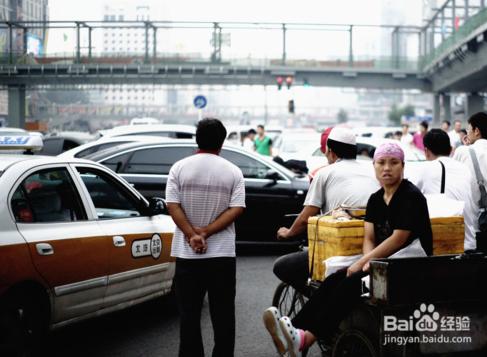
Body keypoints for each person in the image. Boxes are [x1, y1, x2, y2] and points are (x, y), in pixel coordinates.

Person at [263, 143, 433, 357]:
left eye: (393, 163)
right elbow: (369, 237)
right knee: (335, 279)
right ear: (374, 166)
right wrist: (367, 261)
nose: (387, 168)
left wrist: (363, 263)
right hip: (382, 264)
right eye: (381, 163)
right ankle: (295, 330)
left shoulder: (411, 196)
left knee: (350, 284)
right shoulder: (375, 199)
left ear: (403, 166)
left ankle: (307, 338)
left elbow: (399, 239)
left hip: (410, 265)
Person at [271, 128, 379, 331]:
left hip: (342, 251)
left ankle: (321, 307)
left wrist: (288, 232)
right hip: (374, 248)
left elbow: (305, 218)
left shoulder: (325, 173)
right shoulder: (371, 170)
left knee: (282, 266)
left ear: (330, 151)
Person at [166, 118, 246, 357]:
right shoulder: (233, 171)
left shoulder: (179, 168)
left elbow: (173, 205)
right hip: (221, 255)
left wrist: (192, 235)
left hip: (187, 255)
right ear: (222, 142)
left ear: (196, 139)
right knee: (223, 317)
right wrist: (206, 232)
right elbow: (237, 208)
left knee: (188, 317)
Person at [410, 129, 478, 251]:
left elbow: (407, 199)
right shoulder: (464, 169)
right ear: (451, 149)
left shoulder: (424, 169)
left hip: (441, 246)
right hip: (469, 243)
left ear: (426, 151)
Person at [453, 112, 487, 251]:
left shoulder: (463, 152)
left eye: (468, 130)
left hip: (475, 228)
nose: (467, 133)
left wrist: (466, 147)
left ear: (476, 131)